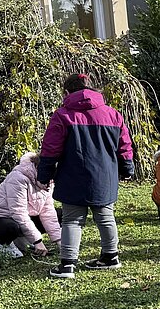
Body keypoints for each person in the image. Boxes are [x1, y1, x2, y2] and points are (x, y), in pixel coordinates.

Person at [38, 73, 134, 278]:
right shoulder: (113, 114)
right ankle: (111, 257)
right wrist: (127, 168)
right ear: (94, 90)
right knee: (106, 217)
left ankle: (67, 265)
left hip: (73, 175)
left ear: (66, 92)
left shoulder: (62, 115)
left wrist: (44, 175)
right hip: (105, 176)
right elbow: (124, 145)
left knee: (72, 220)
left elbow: (50, 149)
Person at [0, 152, 61, 258]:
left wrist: (59, 241)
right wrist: (37, 241)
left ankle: (23, 241)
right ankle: (3, 244)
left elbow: (47, 211)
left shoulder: (48, 181)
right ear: (39, 169)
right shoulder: (18, 178)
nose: (50, 183)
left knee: (60, 214)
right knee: (11, 227)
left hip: (25, 216)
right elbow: (18, 213)